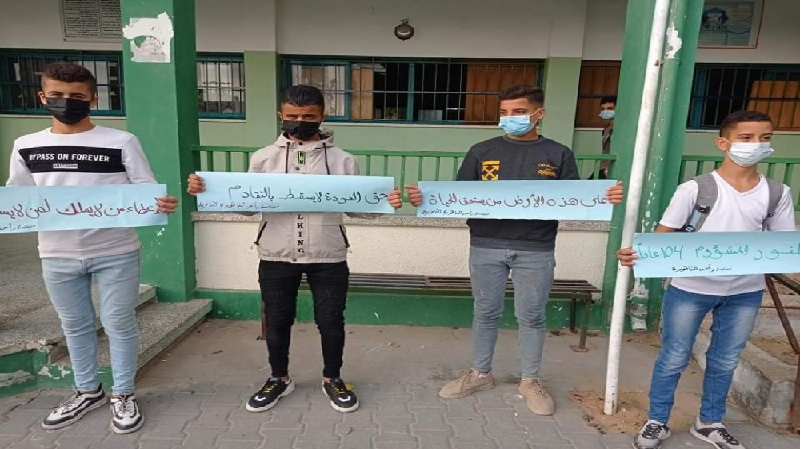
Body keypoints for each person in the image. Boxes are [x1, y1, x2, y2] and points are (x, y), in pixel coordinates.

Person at [406, 84, 624, 416]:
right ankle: (480, 374)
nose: (510, 118)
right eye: (505, 112)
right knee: (485, 312)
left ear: (539, 113)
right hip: (485, 243)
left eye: (519, 112)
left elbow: (575, 198)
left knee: (532, 316)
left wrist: (602, 197)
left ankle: (530, 381)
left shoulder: (558, 154)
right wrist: (427, 199)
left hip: (536, 247)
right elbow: (457, 195)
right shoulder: (481, 151)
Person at [187, 85, 403, 414]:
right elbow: (247, 204)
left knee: (331, 321)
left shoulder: (344, 160)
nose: (300, 121)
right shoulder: (263, 158)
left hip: (328, 254)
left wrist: (385, 203)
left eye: (308, 116)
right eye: (292, 116)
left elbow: (358, 207)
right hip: (275, 253)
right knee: (276, 320)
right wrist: (210, 191)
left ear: (322, 117)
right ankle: (279, 378)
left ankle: (333, 378)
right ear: (281, 115)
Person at [6, 62, 179, 434]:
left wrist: (158, 204)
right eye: (57, 95)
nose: (66, 101)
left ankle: (124, 393)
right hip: (56, 254)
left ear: (93, 99)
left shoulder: (121, 142)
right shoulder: (26, 145)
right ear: (43, 97)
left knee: (119, 323)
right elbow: (18, 197)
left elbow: (144, 188)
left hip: (116, 251)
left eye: (76, 96)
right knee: (74, 326)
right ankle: (87, 391)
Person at [617, 110, 796, 449]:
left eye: (765, 138)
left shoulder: (777, 193)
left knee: (726, 360)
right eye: (746, 138)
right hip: (690, 288)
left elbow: (783, 244)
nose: (756, 144)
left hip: (745, 292)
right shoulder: (696, 189)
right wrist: (638, 254)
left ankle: (710, 423)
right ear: (723, 143)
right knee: (674, 356)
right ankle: (657, 420)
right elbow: (664, 235)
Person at [591, 95, 616, 180]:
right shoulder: (606, 129)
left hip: (611, 168)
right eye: (603, 109)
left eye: (610, 108)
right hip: (603, 167)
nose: (606, 111)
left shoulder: (621, 129)